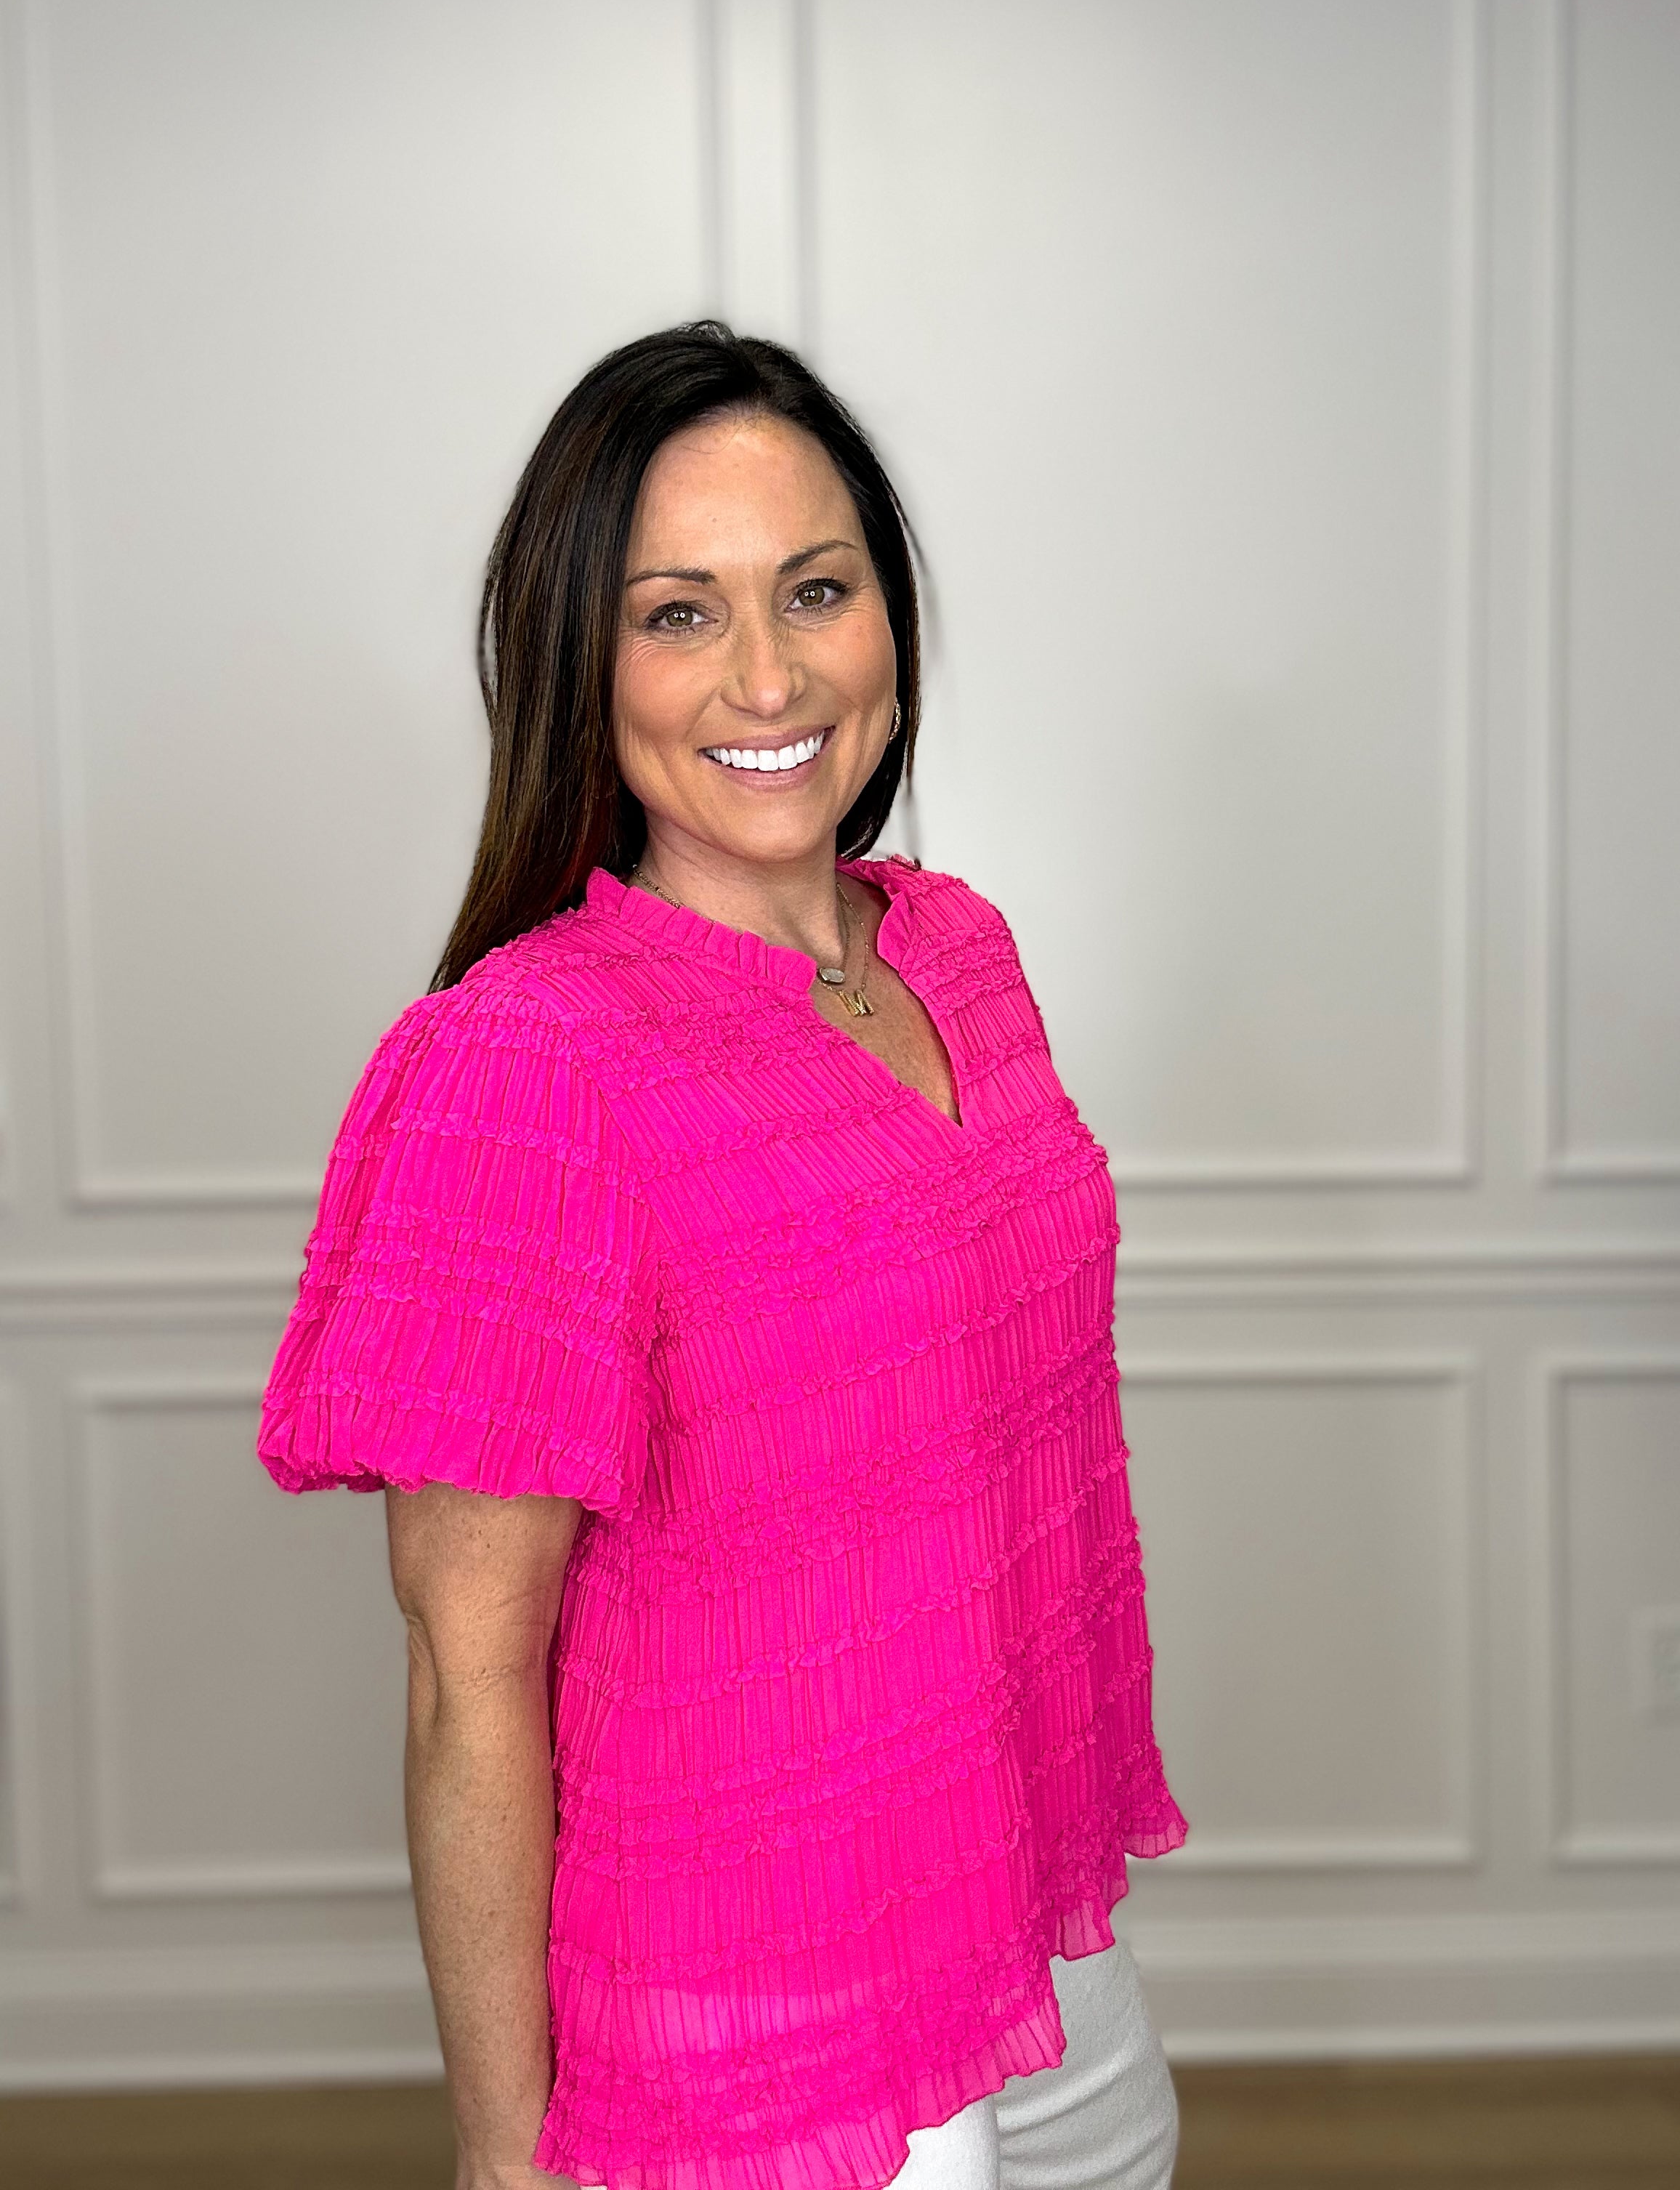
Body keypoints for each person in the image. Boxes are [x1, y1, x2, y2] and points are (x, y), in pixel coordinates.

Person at [257, 320, 1188, 2190]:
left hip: (1030, 1930)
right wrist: (504, 2155)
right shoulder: (527, 1067)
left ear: (889, 620)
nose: (768, 674)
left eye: (815, 589)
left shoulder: (961, 952)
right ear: (579, 661)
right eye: (678, 614)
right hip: (760, 2013)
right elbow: (466, 1672)